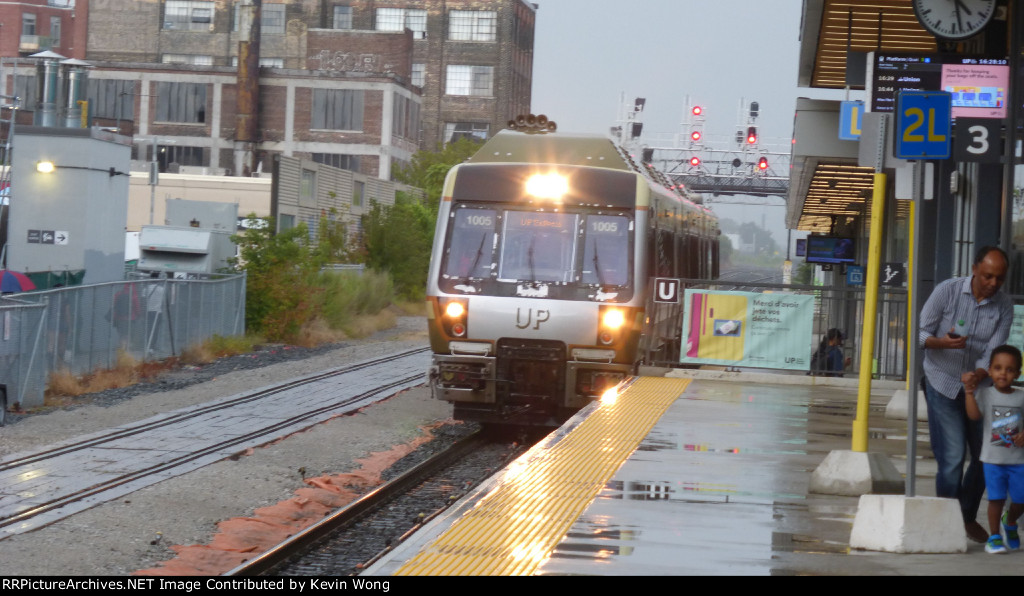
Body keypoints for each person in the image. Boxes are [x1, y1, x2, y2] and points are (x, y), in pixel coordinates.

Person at [920, 245, 1014, 543]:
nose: (993, 284)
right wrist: (941, 343)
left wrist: (979, 374)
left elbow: (993, 351)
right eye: (988, 276)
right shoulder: (946, 291)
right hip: (942, 382)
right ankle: (944, 524)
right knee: (952, 457)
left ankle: (964, 516)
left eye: (999, 279)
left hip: (980, 389)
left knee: (987, 456)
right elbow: (919, 333)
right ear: (974, 269)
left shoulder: (1004, 306)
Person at [963, 345, 1024, 554]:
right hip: (992, 459)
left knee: (1020, 499)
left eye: (1009, 369)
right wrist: (969, 393)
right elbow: (974, 416)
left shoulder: (1021, 396)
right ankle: (995, 536)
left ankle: (1010, 520)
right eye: (998, 368)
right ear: (990, 370)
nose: (1003, 373)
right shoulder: (985, 394)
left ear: (1018, 373)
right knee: (995, 498)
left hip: (1018, 461)